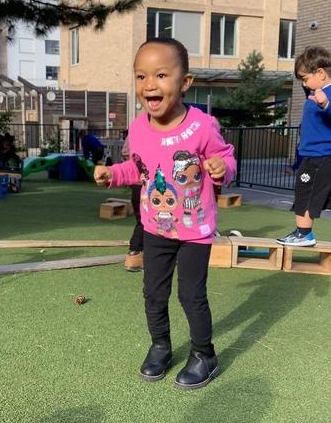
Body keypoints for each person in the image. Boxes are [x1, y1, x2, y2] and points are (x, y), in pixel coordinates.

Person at [94, 38, 236, 389]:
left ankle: (204, 354)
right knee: (154, 293)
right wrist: (113, 175)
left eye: (160, 75)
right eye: (141, 76)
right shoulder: (139, 127)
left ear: (184, 82)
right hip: (155, 228)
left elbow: (226, 158)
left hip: (194, 231)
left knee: (191, 295)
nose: (149, 85)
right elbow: (137, 169)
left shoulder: (202, 125)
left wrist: (222, 168)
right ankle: (160, 345)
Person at [276, 46, 331, 247]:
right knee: (330, 195)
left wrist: (327, 104)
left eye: (305, 78)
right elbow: (310, 84)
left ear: (321, 73)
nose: (304, 83)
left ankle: (303, 233)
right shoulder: (317, 90)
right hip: (319, 152)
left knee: (305, 186)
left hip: (324, 153)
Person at [121, 134, 144, 271]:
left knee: (142, 220)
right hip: (146, 184)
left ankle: (135, 252)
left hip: (137, 184)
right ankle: (135, 251)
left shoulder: (134, 133)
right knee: (147, 221)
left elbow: (125, 153)